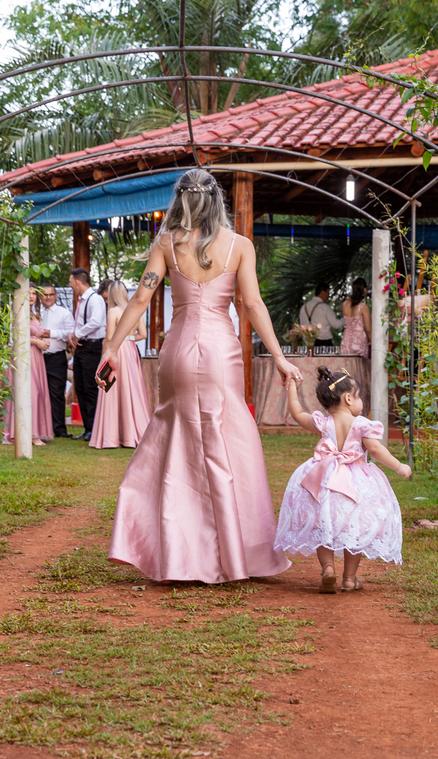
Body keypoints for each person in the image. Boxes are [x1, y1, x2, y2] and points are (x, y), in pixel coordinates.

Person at [101, 168, 300, 584]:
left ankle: (180, 552)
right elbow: (253, 305)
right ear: (216, 201)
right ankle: (234, 552)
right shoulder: (239, 246)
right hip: (220, 353)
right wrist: (279, 357)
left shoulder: (167, 244)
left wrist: (112, 349)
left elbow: (139, 300)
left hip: (178, 349)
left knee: (176, 438)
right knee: (228, 442)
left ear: (180, 200)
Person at [274, 366, 410, 593]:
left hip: (322, 478)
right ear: (348, 398)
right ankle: (349, 578)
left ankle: (328, 569)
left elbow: (297, 413)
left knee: (323, 523)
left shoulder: (323, 423)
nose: (361, 402)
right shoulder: (361, 424)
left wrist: (292, 388)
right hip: (353, 483)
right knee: (353, 526)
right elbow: (375, 450)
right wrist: (399, 466)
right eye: (359, 397)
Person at [90, 282, 151, 449]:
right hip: (131, 350)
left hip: (118, 350)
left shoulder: (113, 311)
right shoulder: (134, 311)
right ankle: (133, 432)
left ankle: (112, 436)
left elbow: (109, 337)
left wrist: (103, 358)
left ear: (111, 295)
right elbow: (143, 335)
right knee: (132, 389)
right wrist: (129, 339)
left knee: (112, 388)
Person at [3, 288, 53, 446]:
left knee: (38, 392)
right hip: (23, 354)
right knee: (29, 392)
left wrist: (43, 341)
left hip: (36, 356)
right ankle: (28, 434)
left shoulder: (35, 314)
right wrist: (37, 341)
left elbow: (35, 333)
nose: (31, 296)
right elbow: (16, 336)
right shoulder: (17, 312)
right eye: (28, 293)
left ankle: (36, 431)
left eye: (34, 293)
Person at [69, 268, 106, 440]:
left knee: (90, 388)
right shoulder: (81, 301)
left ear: (77, 282)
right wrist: (73, 334)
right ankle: (87, 427)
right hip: (82, 347)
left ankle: (95, 429)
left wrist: (78, 333)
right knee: (80, 388)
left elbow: (95, 322)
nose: (70, 286)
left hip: (92, 346)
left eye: (71, 282)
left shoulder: (95, 299)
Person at [38, 285, 74, 438]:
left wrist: (51, 333)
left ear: (56, 295)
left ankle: (59, 429)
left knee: (57, 393)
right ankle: (39, 428)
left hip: (56, 357)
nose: (48, 297)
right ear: (40, 296)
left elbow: (70, 333)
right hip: (37, 357)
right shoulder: (34, 313)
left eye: (51, 294)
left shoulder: (64, 313)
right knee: (38, 393)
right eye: (44, 294)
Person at [299, 282, 342, 348]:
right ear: (323, 293)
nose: (328, 296)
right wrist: (348, 318)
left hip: (309, 343)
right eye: (328, 293)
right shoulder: (325, 307)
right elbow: (336, 324)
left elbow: (302, 326)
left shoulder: (304, 307)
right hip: (324, 343)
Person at [340, 276, 371, 357]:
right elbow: (368, 329)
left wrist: (351, 297)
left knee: (346, 363)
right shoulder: (364, 307)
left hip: (346, 339)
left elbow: (340, 308)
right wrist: (372, 342)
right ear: (364, 289)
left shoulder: (345, 305)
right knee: (359, 364)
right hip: (358, 341)